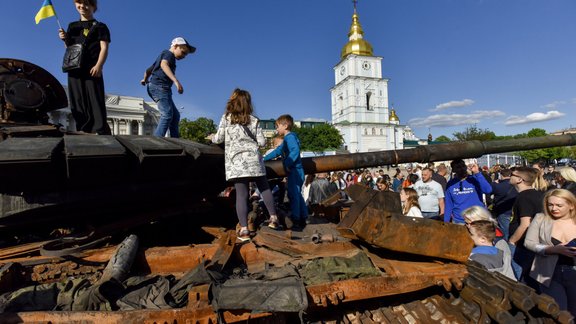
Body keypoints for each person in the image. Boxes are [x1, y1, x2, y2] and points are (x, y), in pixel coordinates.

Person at [210, 89, 279, 241]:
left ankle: (244, 230)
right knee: (264, 187)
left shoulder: (226, 118)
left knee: (241, 195)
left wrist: (211, 137)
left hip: (237, 162)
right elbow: (261, 142)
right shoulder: (254, 120)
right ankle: (274, 218)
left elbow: (219, 138)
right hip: (254, 160)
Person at [58, 0, 111, 135]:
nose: (82, 6)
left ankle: (99, 129)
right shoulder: (72, 26)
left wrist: (99, 65)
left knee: (95, 97)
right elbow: (70, 49)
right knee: (77, 99)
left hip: (92, 68)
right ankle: (83, 128)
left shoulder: (100, 26)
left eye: (87, 4)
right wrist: (65, 39)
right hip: (74, 69)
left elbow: (104, 48)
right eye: (79, 3)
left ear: (94, 7)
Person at [524, 189, 576, 317]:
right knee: (557, 312)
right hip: (550, 273)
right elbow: (529, 242)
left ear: (571, 205)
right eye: (550, 204)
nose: (554, 209)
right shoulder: (541, 218)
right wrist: (551, 249)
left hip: (573, 272)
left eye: (559, 205)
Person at [141, 37, 195, 138]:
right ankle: (157, 141)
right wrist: (176, 81)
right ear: (175, 46)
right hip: (159, 87)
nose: (184, 56)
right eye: (183, 52)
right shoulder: (169, 54)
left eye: (186, 54)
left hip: (160, 88)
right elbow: (164, 65)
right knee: (167, 114)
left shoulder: (162, 56)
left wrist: (144, 79)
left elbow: (148, 70)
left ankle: (175, 140)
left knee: (175, 116)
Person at [264, 114, 308, 231]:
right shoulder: (287, 139)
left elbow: (295, 150)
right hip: (295, 171)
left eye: (277, 126)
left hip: (294, 170)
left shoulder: (289, 138)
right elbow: (278, 151)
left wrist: (287, 163)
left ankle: (297, 221)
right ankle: (304, 216)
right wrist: (265, 158)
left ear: (286, 125)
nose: (276, 129)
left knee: (293, 195)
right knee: (297, 195)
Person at [508, 166, 543, 287]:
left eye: (512, 174)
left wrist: (512, 241)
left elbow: (525, 224)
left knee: (521, 279)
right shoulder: (536, 194)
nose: (509, 176)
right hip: (530, 243)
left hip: (522, 245)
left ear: (519, 179)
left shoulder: (524, 197)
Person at [444, 160, 492, 224]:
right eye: (458, 167)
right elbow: (448, 204)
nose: (461, 169)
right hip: (459, 220)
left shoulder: (474, 179)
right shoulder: (451, 184)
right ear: (454, 170)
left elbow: (488, 190)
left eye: (463, 166)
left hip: (477, 219)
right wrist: (446, 222)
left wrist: (477, 173)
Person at [490, 168, 518, 240]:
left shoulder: (497, 186)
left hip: (502, 211)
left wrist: (494, 183)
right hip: (514, 210)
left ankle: (507, 247)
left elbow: (489, 191)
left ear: (501, 175)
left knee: (505, 232)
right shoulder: (517, 185)